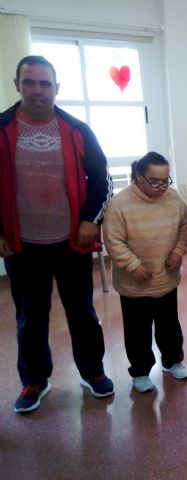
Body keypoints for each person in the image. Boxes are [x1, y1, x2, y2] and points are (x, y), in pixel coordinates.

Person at [0, 55, 114, 413]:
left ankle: (93, 371)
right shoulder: (1, 129)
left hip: (72, 242)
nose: (37, 90)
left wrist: (90, 219)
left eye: (44, 83)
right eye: (29, 82)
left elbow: (101, 179)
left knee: (82, 311)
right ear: (17, 85)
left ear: (56, 88)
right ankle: (35, 380)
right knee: (30, 316)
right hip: (22, 244)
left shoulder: (77, 130)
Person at [103, 152, 187, 393]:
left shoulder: (173, 198)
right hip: (134, 286)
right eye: (155, 181)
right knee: (137, 332)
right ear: (138, 176)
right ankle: (140, 372)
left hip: (166, 280)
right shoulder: (120, 204)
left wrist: (178, 251)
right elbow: (113, 241)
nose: (161, 187)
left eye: (165, 181)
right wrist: (133, 264)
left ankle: (172, 361)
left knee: (169, 326)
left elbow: (185, 227)